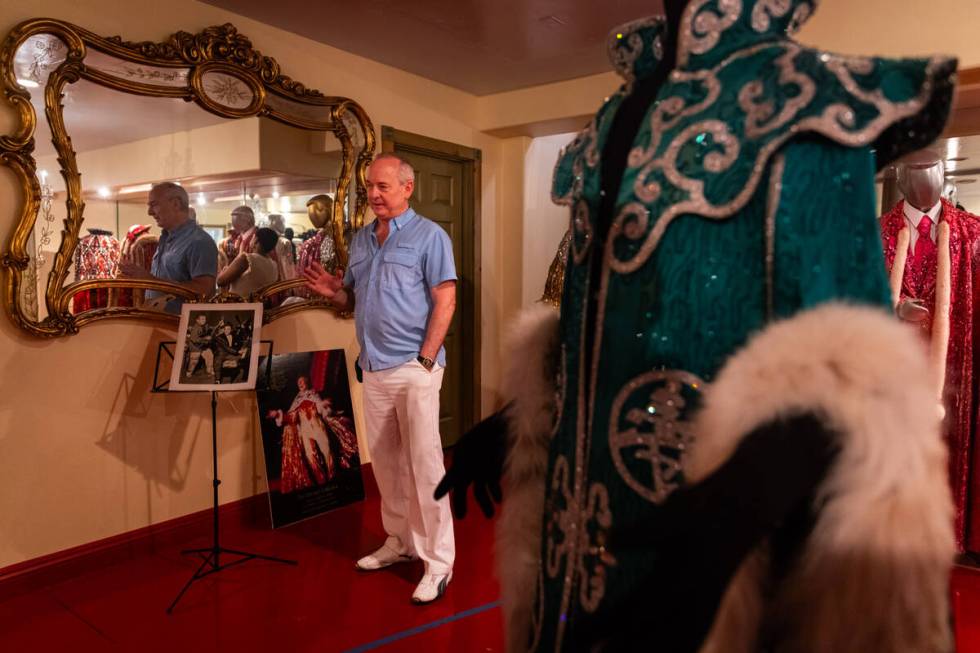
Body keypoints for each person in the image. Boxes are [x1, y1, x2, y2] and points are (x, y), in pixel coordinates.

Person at [436, 1, 957, 652]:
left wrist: (740, 507)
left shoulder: (800, 96)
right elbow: (609, 316)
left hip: (716, 552)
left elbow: (856, 368)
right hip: (577, 533)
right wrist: (529, 413)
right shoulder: (616, 113)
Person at [304, 153, 457, 605]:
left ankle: (438, 562)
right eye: (370, 186)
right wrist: (335, 293)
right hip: (373, 368)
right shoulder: (363, 240)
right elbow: (350, 297)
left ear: (407, 188)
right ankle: (401, 542)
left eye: (383, 186)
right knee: (387, 464)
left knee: (427, 466)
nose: (373, 194)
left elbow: (444, 301)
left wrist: (426, 362)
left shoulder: (431, 236)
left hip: (415, 367)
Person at [119, 182, 217, 313]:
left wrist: (151, 280)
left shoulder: (199, 241)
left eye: (154, 205)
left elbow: (204, 291)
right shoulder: (166, 239)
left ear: (176, 204)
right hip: (159, 323)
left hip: (178, 328)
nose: (149, 212)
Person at [268, 375, 335, 491]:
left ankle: (332, 477)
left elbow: (321, 408)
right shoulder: (296, 400)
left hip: (318, 426)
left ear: (306, 383)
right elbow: (290, 417)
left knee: (327, 450)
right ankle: (321, 481)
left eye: (302, 381)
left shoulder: (313, 394)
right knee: (310, 456)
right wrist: (278, 414)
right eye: (298, 382)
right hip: (305, 431)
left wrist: (324, 405)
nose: (300, 383)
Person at [216, 227, 280, 299]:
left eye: (253, 237)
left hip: (239, 306)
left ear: (256, 240)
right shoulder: (274, 266)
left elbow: (220, 281)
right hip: (259, 307)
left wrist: (224, 266)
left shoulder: (247, 259)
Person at [184, 313, 214, 378]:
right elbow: (194, 339)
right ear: (197, 320)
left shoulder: (204, 326)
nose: (204, 320)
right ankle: (189, 372)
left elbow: (210, 328)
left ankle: (209, 371)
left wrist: (219, 325)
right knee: (194, 361)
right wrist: (205, 338)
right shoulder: (195, 328)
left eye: (205, 319)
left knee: (210, 355)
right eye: (202, 319)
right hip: (195, 347)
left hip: (202, 346)